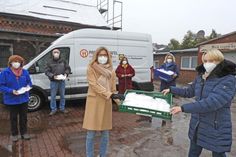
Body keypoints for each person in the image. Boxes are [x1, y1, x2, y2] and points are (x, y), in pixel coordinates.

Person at [162, 49, 236, 157]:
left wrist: (182, 108)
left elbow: (211, 103)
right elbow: (189, 91)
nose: (207, 64)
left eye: (211, 61)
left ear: (219, 61)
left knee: (218, 153)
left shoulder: (228, 79)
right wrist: (172, 89)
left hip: (215, 125)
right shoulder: (202, 76)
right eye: (205, 61)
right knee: (193, 152)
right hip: (198, 124)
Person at [82, 47, 124, 157]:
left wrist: (121, 102)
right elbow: (94, 85)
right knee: (91, 134)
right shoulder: (91, 68)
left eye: (105, 55)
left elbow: (113, 89)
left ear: (108, 57)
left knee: (105, 134)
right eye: (100, 55)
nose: (103, 57)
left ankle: (103, 155)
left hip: (106, 104)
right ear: (96, 56)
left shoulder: (112, 71)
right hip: (94, 103)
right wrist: (110, 94)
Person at [0, 55, 32, 142]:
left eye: (18, 62)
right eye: (15, 61)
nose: (16, 63)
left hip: (23, 98)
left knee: (24, 117)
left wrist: (27, 87)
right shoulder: (5, 73)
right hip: (12, 99)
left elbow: (29, 83)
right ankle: (14, 134)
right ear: (10, 63)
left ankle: (24, 133)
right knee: (13, 118)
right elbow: (1, 86)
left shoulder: (25, 72)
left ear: (21, 63)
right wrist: (11, 91)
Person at [45, 49, 71, 116]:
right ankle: (53, 109)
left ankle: (62, 108)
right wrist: (53, 76)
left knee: (62, 96)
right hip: (54, 81)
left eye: (57, 52)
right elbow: (47, 72)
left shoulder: (63, 61)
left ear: (59, 53)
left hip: (62, 81)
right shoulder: (49, 62)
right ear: (52, 54)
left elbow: (68, 68)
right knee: (53, 96)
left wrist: (66, 73)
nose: (56, 53)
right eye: (54, 52)